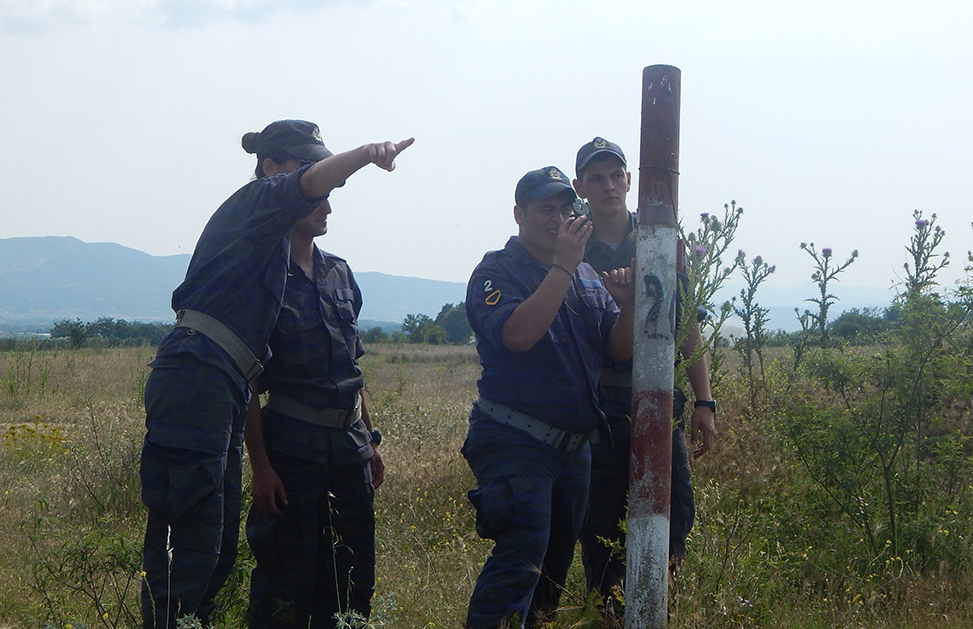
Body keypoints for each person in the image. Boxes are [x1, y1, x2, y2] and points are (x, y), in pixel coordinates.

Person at [139, 119, 413, 629]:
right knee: (190, 548)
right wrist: (365, 154)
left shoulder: (290, 251)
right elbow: (307, 187)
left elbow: (346, 361)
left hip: (224, 379)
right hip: (200, 371)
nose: (322, 189)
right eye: (304, 166)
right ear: (270, 169)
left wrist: (368, 435)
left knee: (216, 546)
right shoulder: (255, 203)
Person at [462, 166, 636, 629]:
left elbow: (616, 352)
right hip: (516, 440)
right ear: (518, 214)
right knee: (521, 559)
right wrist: (561, 265)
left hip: (572, 449)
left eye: (564, 209)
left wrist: (630, 304)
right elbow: (518, 335)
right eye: (545, 210)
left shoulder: (584, 274)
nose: (558, 218)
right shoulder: (496, 271)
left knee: (551, 576)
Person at [571, 136, 717, 608]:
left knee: (675, 509)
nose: (609, 185)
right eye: (597, 178)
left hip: (660, 397)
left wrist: (704, 401)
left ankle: (656, 601)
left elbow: (686, 320)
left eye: (616, 175)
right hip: (602, 403)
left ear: (630, 180)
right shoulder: (571, 246)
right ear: (581, 187)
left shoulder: (660, 238)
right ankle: (606, 610)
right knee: (601, 518)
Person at [244, 177, 384, 627]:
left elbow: (353, 370)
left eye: (329, 199)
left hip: (349, 449)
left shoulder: (338, 272)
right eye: (318, 199)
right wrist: (260, 467)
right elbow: (248, 381)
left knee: (352, 579)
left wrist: (370, 440)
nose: (327, 209)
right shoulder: (263, 275)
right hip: (291, 449)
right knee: (285, 581)